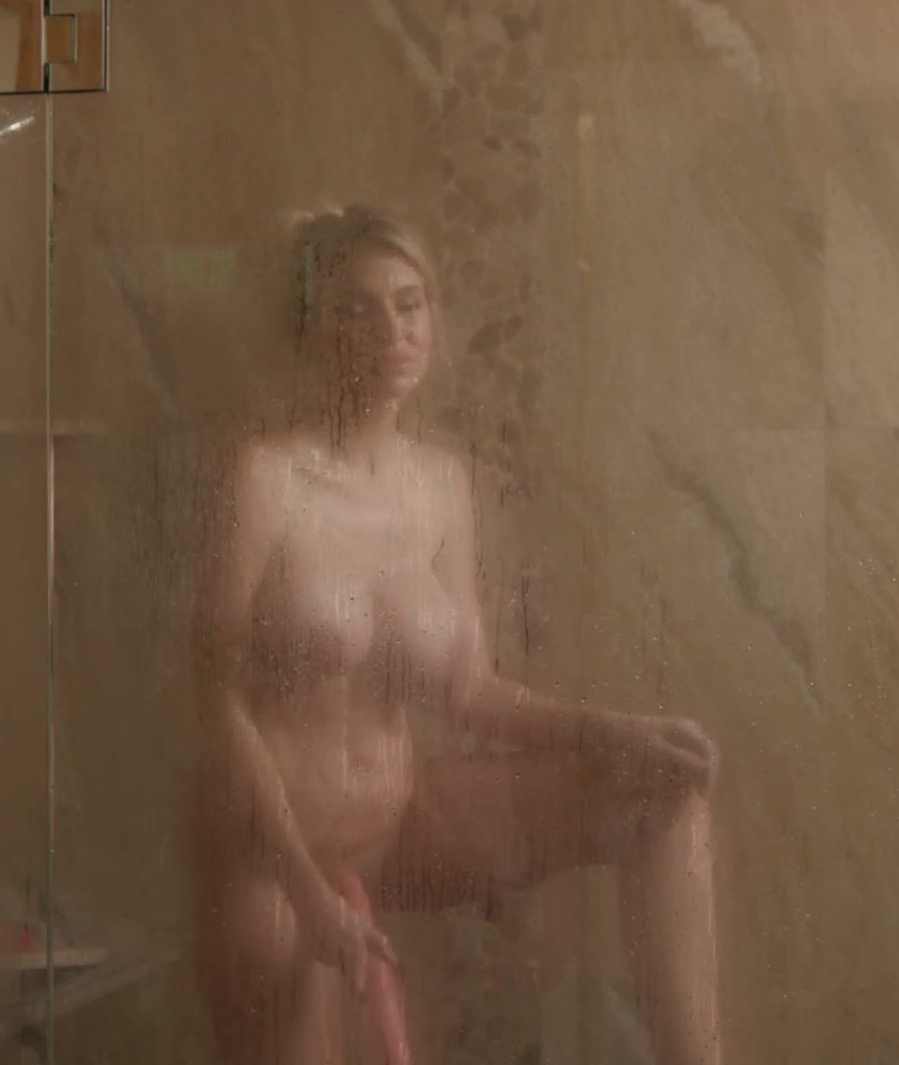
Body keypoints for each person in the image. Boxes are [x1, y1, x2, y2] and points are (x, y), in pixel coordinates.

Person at [190, 205, 725, 1065]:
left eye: (410, 304)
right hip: (270, 858)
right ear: (312, 328)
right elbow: (210, 701)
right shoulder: (263, 478)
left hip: (398, 824)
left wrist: (618, 732)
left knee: (661, 790)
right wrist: (305, 889)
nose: (391, 331)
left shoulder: (439, 485)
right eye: (356, 309)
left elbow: (469, 691)